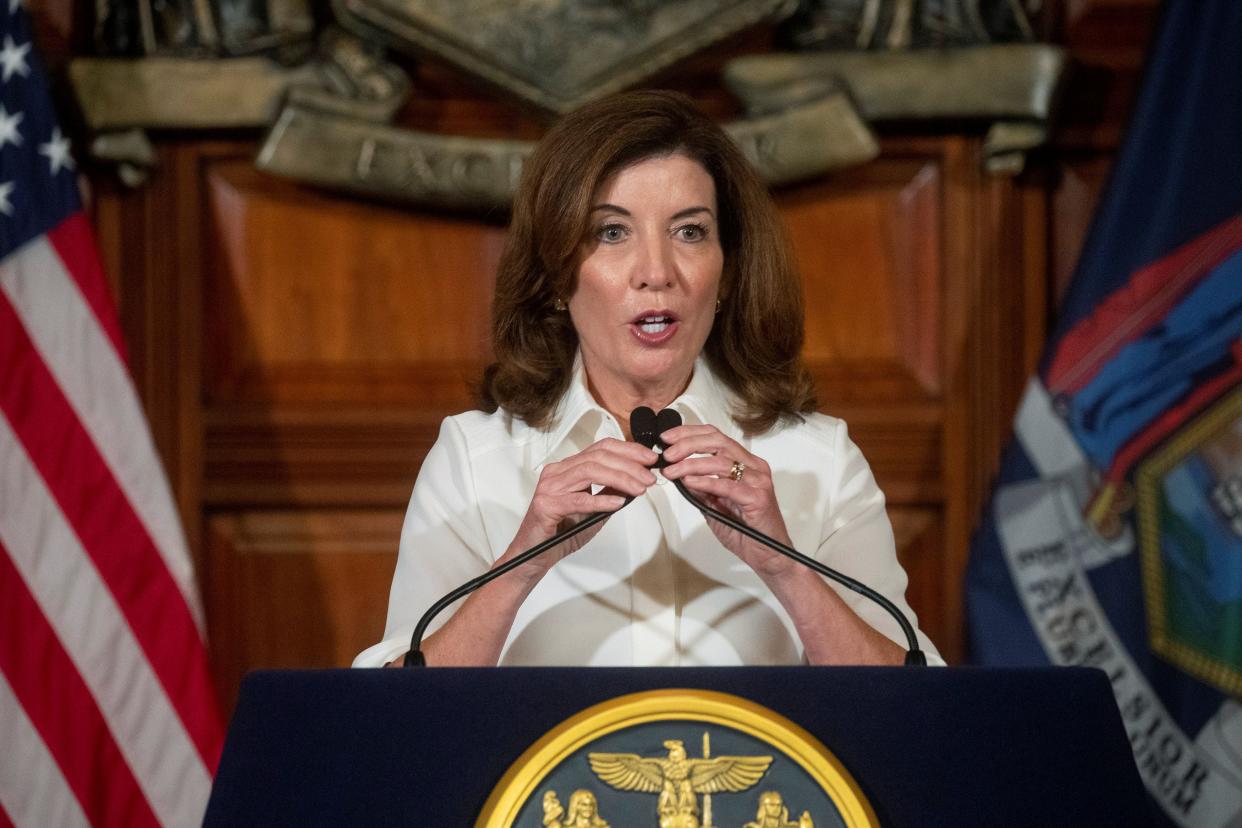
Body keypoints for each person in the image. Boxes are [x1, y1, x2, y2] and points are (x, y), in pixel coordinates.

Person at [353, 90, 942, 668]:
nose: (656, 273)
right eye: (612, 232)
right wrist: (525, 557)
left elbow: (915, 713)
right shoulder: (474, 460)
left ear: (728, 271)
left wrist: (786, 567)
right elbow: (396, 719)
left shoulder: (820, 460)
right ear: (556, 275)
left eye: (689, 232)